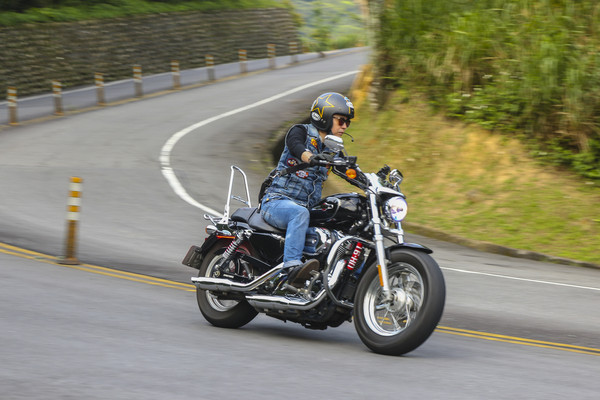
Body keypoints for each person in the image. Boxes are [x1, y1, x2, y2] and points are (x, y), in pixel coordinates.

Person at [260, 92, 354, 287]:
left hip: (306, 208)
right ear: (325, 117)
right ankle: (291, 269)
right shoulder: (300, 131)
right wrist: (309, 156)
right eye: (341, 120)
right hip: (277, 201)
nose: (345, 126)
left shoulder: (333, 148)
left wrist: (368, 182)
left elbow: (348, 170)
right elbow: (295, 146)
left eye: (348, 122)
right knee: (299, 213)